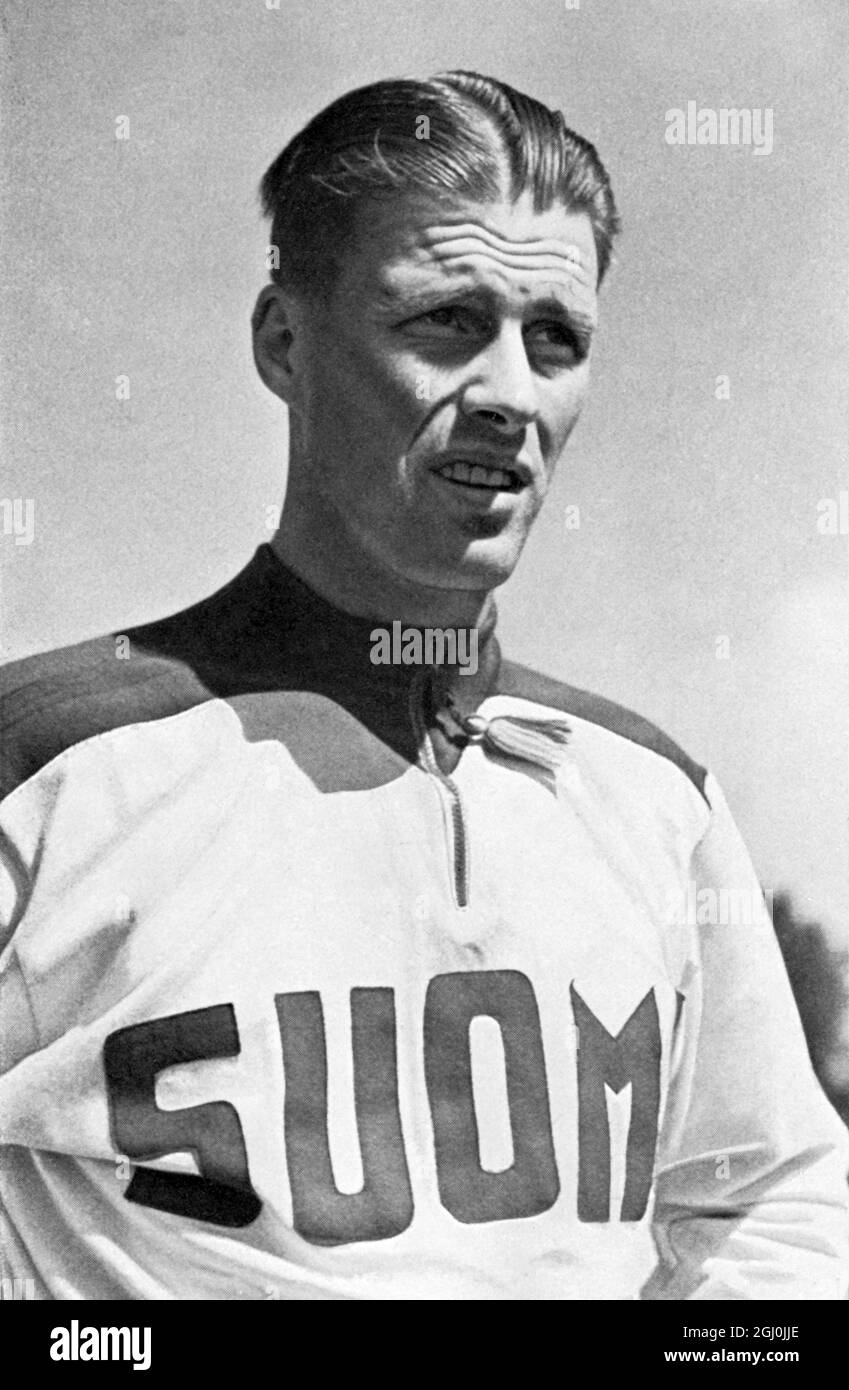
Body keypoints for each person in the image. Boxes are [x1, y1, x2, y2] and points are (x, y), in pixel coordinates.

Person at [0, 71, 847, 1302]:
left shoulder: (656, 798)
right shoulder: (51, 760)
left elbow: (769, 1201)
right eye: (448, 320)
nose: (511, 393)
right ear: (285, 340)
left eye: (555, 336)